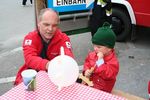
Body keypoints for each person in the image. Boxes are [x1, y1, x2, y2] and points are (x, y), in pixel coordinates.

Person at [14, 8, 74, 85]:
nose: (50, 29)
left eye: (54, 25)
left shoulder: (63, 38)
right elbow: (29, 58)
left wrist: (65, 62)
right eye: (46, 24)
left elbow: (68, 57)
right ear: (38, 23)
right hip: (32, 76)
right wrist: (48, 65)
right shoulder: (30, 38)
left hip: (56, 76)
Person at [82, 22, 119, 93]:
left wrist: (100, 61)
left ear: (109, 48)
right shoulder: (92, 55)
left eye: (99, 47)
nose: (95, 49)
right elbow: (87, 63)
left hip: (103, 90)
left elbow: (108, 75)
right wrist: (86, 70)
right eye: (94, 45)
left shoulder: (113, 62)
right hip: (90, 86)